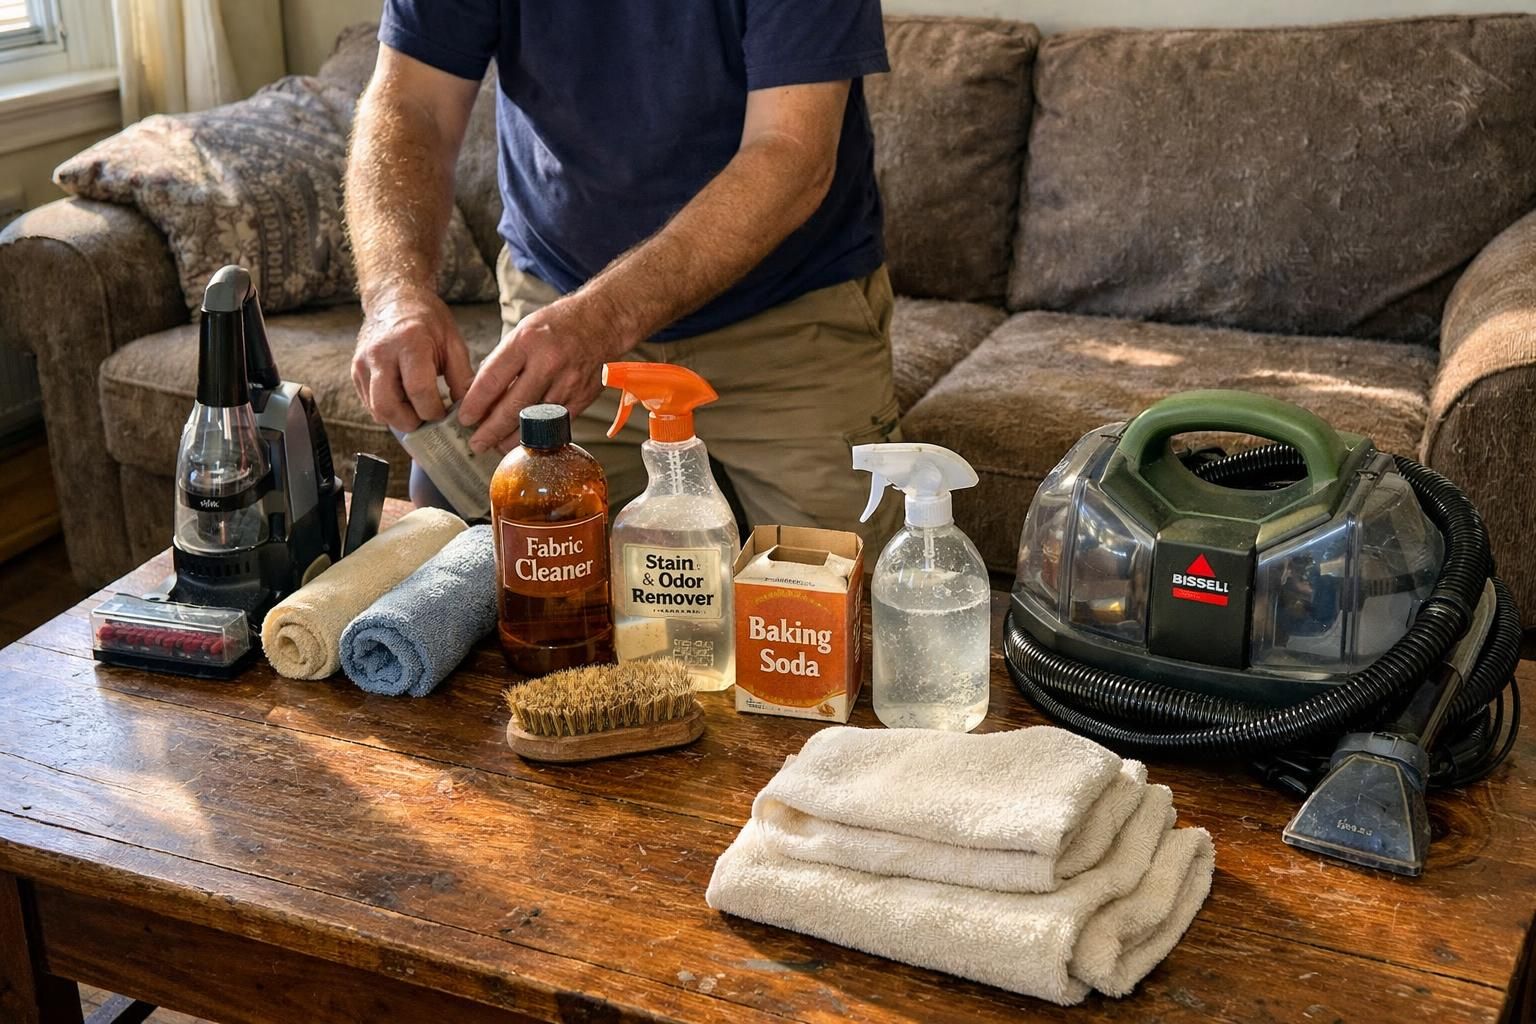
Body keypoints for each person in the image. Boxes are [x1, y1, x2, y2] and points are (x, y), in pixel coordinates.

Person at [345, 1, 901, 544]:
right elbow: (414, 103)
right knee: (542, 598)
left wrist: (604, 319)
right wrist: (396, 293)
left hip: (788, 328)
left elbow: (791, 153)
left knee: (841, 608)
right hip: (560, 320)